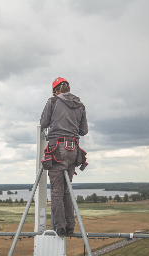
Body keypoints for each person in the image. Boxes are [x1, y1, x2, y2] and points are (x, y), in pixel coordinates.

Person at [40, 77, 88, 236]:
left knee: (57, 190)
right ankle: (70, 226)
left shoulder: (53, 101)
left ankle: (59, 227)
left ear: (55, 90)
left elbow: (44, 122)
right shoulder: (80, 105)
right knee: (67, 190)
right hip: (73, 150)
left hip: (57, 150)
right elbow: (83, 131)